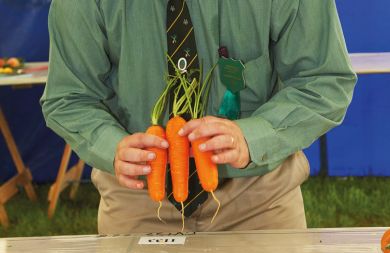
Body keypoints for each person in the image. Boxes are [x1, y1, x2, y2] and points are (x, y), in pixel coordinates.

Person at [41, 0, 356, 235]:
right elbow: (68, 97)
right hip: (138, 197)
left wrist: (256, 136)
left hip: (259, 198)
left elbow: (324, 80)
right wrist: (112, 147)